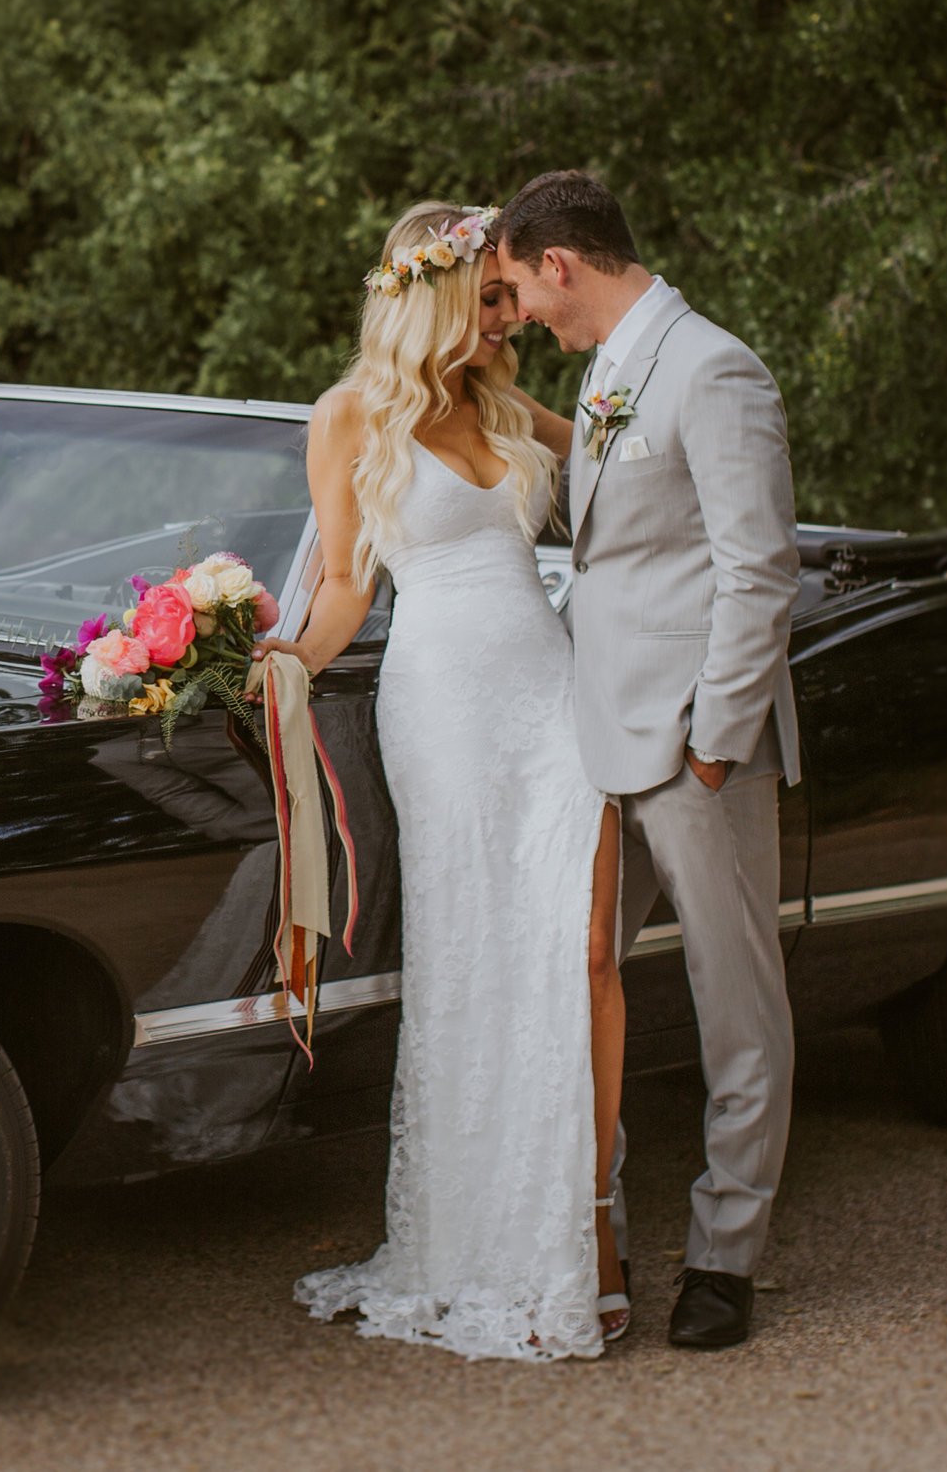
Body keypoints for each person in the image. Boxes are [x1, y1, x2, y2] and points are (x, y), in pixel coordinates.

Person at [259, 200, 630, 1360]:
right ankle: (484, 1239)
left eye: (509, 301)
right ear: (425, 299)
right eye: (485, 304)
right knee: (477, 966)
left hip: (556, 700)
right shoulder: (349, 415)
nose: (504, 319)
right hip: (447, 709)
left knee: (582, 951)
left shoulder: (506, 401)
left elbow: (629, 461)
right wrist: (272, 664)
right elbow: (343, 591)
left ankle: (588, 1223)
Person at [494, 168, 802, 1351]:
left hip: (689, 739)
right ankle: (586, 1224)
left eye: (519, 288)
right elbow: (621, 526)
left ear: (558, 262)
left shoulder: (714, 365)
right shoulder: (608, 369)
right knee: (577, 982)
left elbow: (757, 567)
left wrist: (715, 743)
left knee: (739, 1006)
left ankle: (725, 1254)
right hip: (596, 734)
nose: (520, 310)